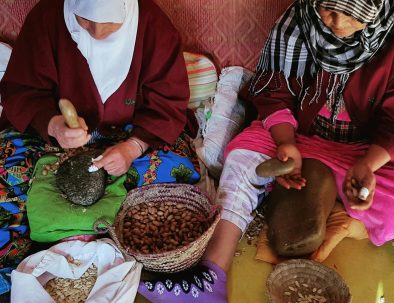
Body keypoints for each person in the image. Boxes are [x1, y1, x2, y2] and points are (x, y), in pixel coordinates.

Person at [138, 0, 394, 302]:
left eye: (352, 16)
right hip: (297, 132)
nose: (337, 24)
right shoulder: (295, 24)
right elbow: (273, 92)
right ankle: (211, 276)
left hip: (361, 148)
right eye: (329, 10)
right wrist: (286, 143)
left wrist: (367, 164)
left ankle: (345, 213)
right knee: (241, 160)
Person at [0, 0, 200, 281]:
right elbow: (21, 91)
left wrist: (134, 147)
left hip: (130, 132)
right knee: (5, 169)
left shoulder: (153, 25)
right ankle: (15, 274)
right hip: (53, 138)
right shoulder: (47, 18)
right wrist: (53, 124)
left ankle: (100, 243)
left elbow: (167, 103)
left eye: (110, 23)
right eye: (85, 20)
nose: (97, 31)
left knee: (178, 169)